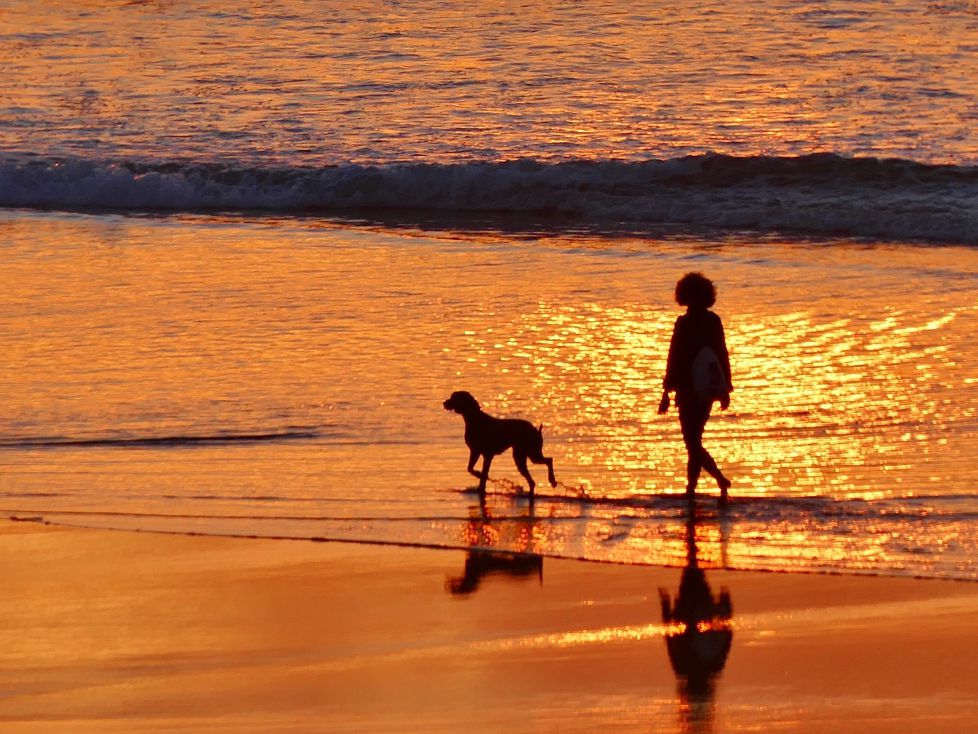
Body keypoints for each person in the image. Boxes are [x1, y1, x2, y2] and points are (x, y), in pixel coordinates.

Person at [658, 272, 732, 503]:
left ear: (684, 295)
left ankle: (718, 479)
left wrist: (665, 391)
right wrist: (725, 389)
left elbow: (674, 357)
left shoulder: (684, 323)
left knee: (692, 441)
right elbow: (721, 354)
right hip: (707, 387)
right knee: (694, 440)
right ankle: (691, 488)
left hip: (688, 388)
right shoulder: (713, 321)